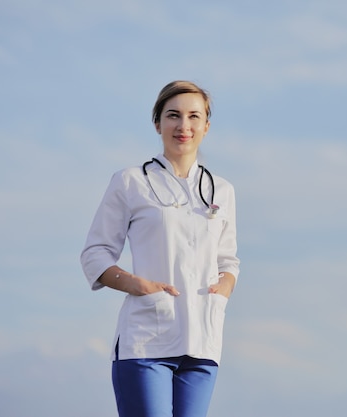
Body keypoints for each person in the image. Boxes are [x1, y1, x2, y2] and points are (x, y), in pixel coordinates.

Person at [80, 80, 240, 417]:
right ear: (157, 123)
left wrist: (223, 288)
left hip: (202, 343)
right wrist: (136, 284)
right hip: (146, 342)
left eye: (194, 116)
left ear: (206, 126)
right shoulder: (130, 182)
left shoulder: (221, 190)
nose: (184, 126)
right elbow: (95, 253)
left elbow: (228, 259)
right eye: (173, 116)